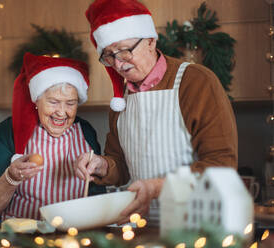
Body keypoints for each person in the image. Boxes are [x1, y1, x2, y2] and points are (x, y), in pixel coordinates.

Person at [74, 0, 238, 224]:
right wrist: (102, 165)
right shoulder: (120, 100)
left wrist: (157, 187)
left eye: (124, 51)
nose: (118, 65)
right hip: (141, 227)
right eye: (109, 56)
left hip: (198, 225)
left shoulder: (196, 82)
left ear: (151, 41)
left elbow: (222, 165)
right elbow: (121, 166)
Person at [0, 53, 104, 220]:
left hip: (74, 237)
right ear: (36, 100)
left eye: (70, 103)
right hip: (20, 237)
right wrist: (11, 178)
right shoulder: (9, 131)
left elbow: (97, 195)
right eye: (53, 102)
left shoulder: (86, 131)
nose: (61, 112)